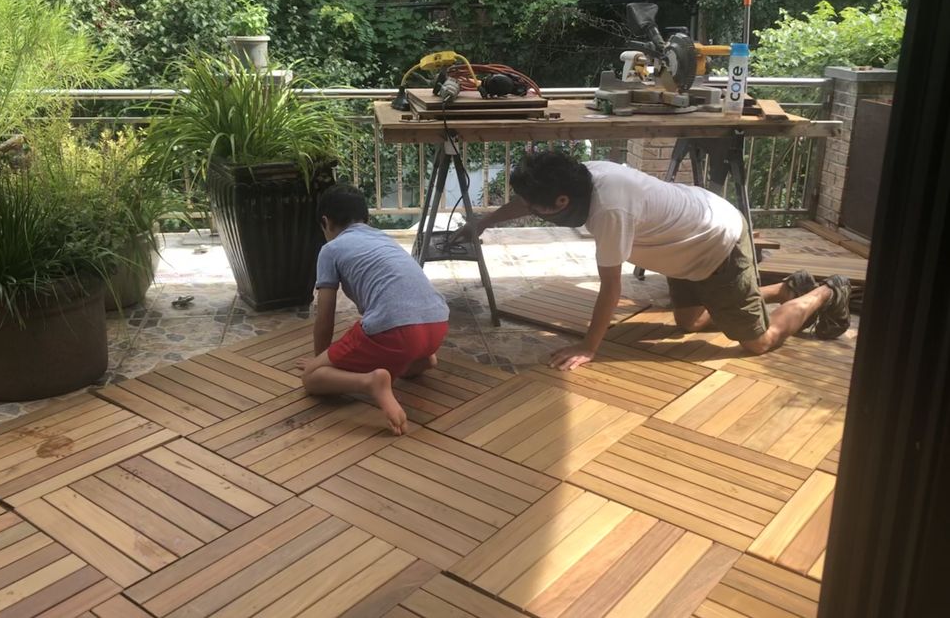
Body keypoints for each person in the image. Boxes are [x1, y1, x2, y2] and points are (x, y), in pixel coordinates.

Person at [457, 151, 851, 370]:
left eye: (535, 207)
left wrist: (589, 347)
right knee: (690, 322)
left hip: (716, 242)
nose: (529, 209)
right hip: (685, 243)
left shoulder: (609, 210)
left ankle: (823, 294)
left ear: (562, 202)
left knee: (756, 342)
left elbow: (610, 290)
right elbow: (524, 202)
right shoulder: (581, 177)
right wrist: (485, 222)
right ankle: (786, 288)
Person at [299, 184, 450, 435]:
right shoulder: (383, 238)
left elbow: (325, 315)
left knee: (312, 380)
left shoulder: (330, 250)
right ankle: (422, 360)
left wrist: (321, 363)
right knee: (401, 347)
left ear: (325, 222)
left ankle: (370, 383)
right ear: (366, 219)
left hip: (396, 330)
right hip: (436, 326)